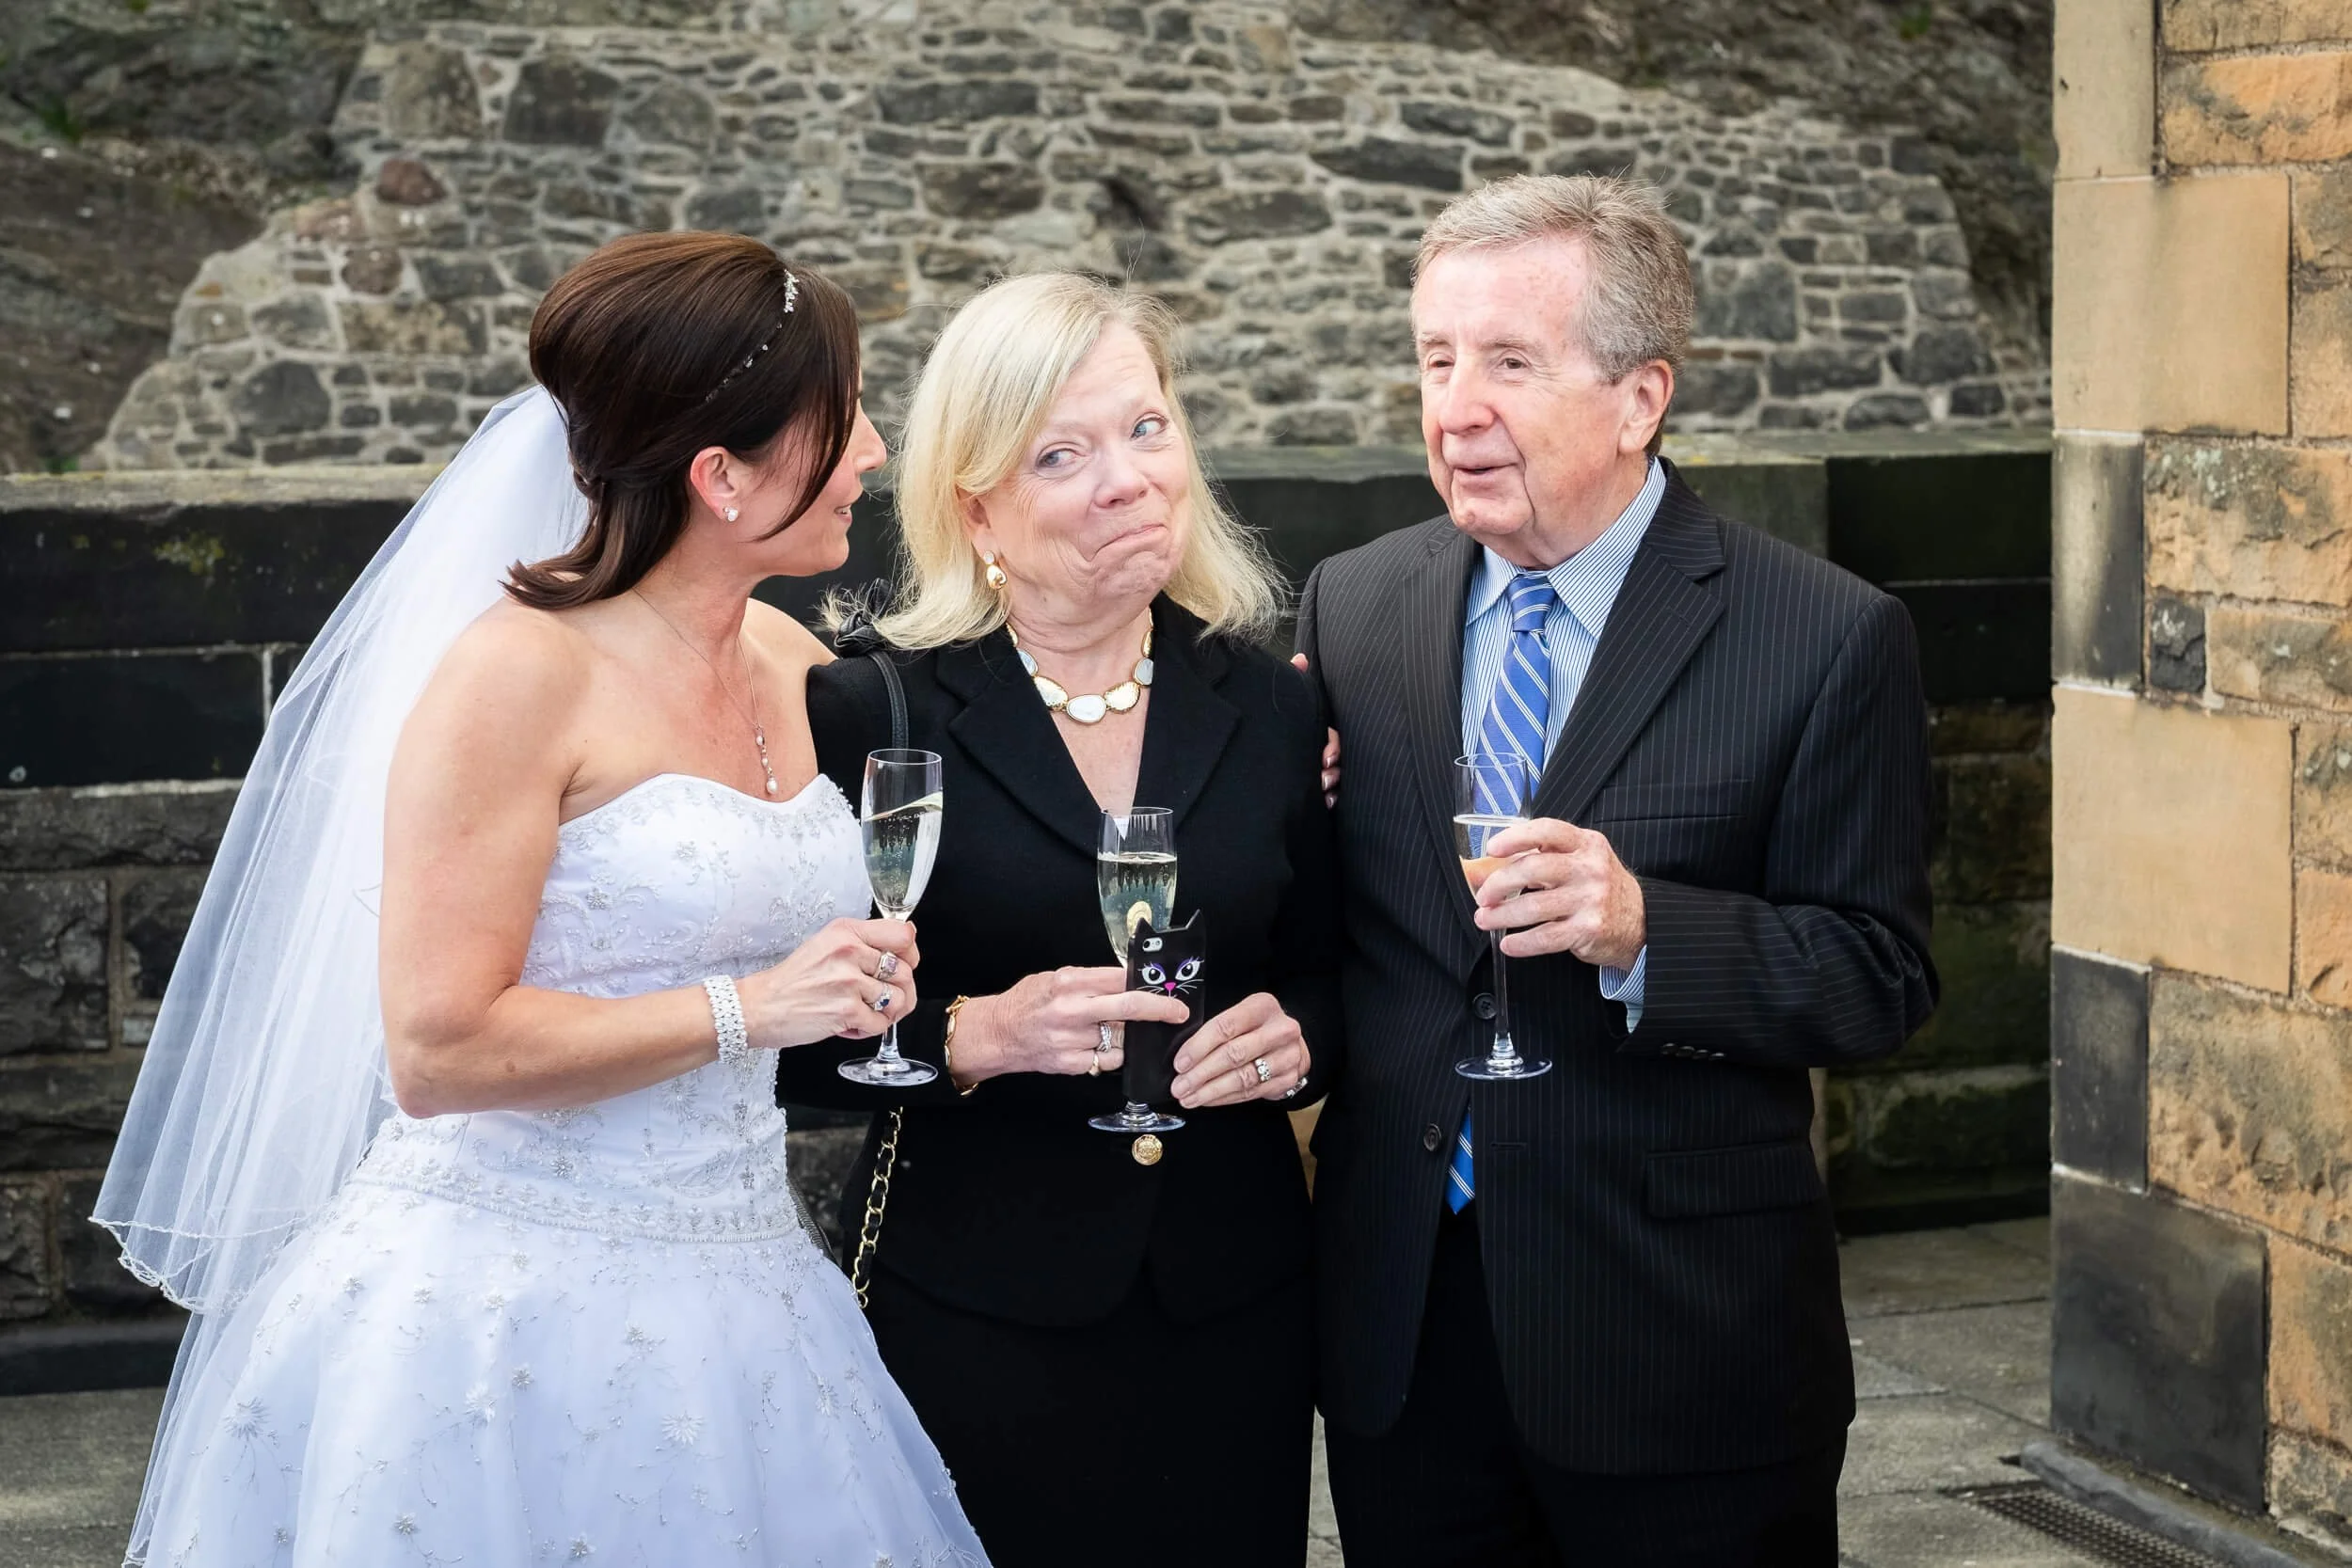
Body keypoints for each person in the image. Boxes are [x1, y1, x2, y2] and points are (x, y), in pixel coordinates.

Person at [93, 232, 989, 1566]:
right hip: (499, 1324)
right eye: (842, 419)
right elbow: (440, 1048)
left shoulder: (793, 657)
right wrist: (753, 1006)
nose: (870, 452)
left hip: (754, 1305)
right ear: (723, 474)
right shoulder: (516, 679)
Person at [1294, 174, 1937, 1566]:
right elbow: (1351, 932)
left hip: (1679, 1346)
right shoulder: (1357, 604)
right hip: (1409, 1331)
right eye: (1436, 358)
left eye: (1509, 363)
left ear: (1641, 397)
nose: (1455, 405)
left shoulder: (1824, 634)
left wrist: (1650, 928)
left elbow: (1882, 977)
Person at [775, 271, 1342, 1568]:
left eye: (1148, 429)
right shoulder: (872, 718)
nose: (1130, 477)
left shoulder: (1275, 706)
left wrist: (1300, 1038)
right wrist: (967, 1033)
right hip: (975, 1314)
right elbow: (779, 1044)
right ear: (977, 505)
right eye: (1063, 454)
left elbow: (1340, 972)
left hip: (1235, 1311)